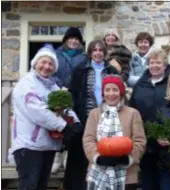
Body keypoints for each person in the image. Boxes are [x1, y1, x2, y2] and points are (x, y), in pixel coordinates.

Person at [9, 44, 82, 190]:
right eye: (43, 62)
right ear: (35, 63)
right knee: (30, 186)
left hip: (47, 145)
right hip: (29, 146)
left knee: (41, 186)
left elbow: (66, 106)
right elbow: (37, 110)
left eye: (51, 64)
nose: (46, 66)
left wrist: (75, 122)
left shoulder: (52, 86)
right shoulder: (27, 83)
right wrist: (63, 126)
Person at [64, 40, 118, 190]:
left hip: (106, 119)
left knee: (104, 156)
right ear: (90, 52)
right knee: (79, 159)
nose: (98, 53)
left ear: (105, 52)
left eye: (101, 50)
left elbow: (118, 93)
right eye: (94, 50)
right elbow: (72, 94)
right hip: (84, 118)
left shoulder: (112, 70)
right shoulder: (80, 70)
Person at [83, 75, 146, 190]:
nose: (111, 94)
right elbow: (88, 139)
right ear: (103, 93)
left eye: (115, 89)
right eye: (107, 90)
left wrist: (129, 158)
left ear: (121, 92)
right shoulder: (94, 114)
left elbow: (140, 141)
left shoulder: (133, 113)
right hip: (98, 172)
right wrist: (97, 158)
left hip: (127, 174)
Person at [129, 48, 170, 190]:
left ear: (165, 65)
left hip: (167, 142)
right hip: (146, 140)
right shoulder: (140, 84)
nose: (154, 65)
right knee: (147, 181)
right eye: (152, 62)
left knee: (166, 182)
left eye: (158, 63)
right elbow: (133, 109)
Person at [51, 27, 87, 173]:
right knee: (57, 125)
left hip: (76, 96)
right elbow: (50, 72)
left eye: (76, 39)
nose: (73, 41)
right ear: (65, 40)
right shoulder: (56, 54)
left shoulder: (84, 57)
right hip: (58, 93)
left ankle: (67, 156)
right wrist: (59, 86)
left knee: (72, 125)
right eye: (71, 38)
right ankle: (56, 157)